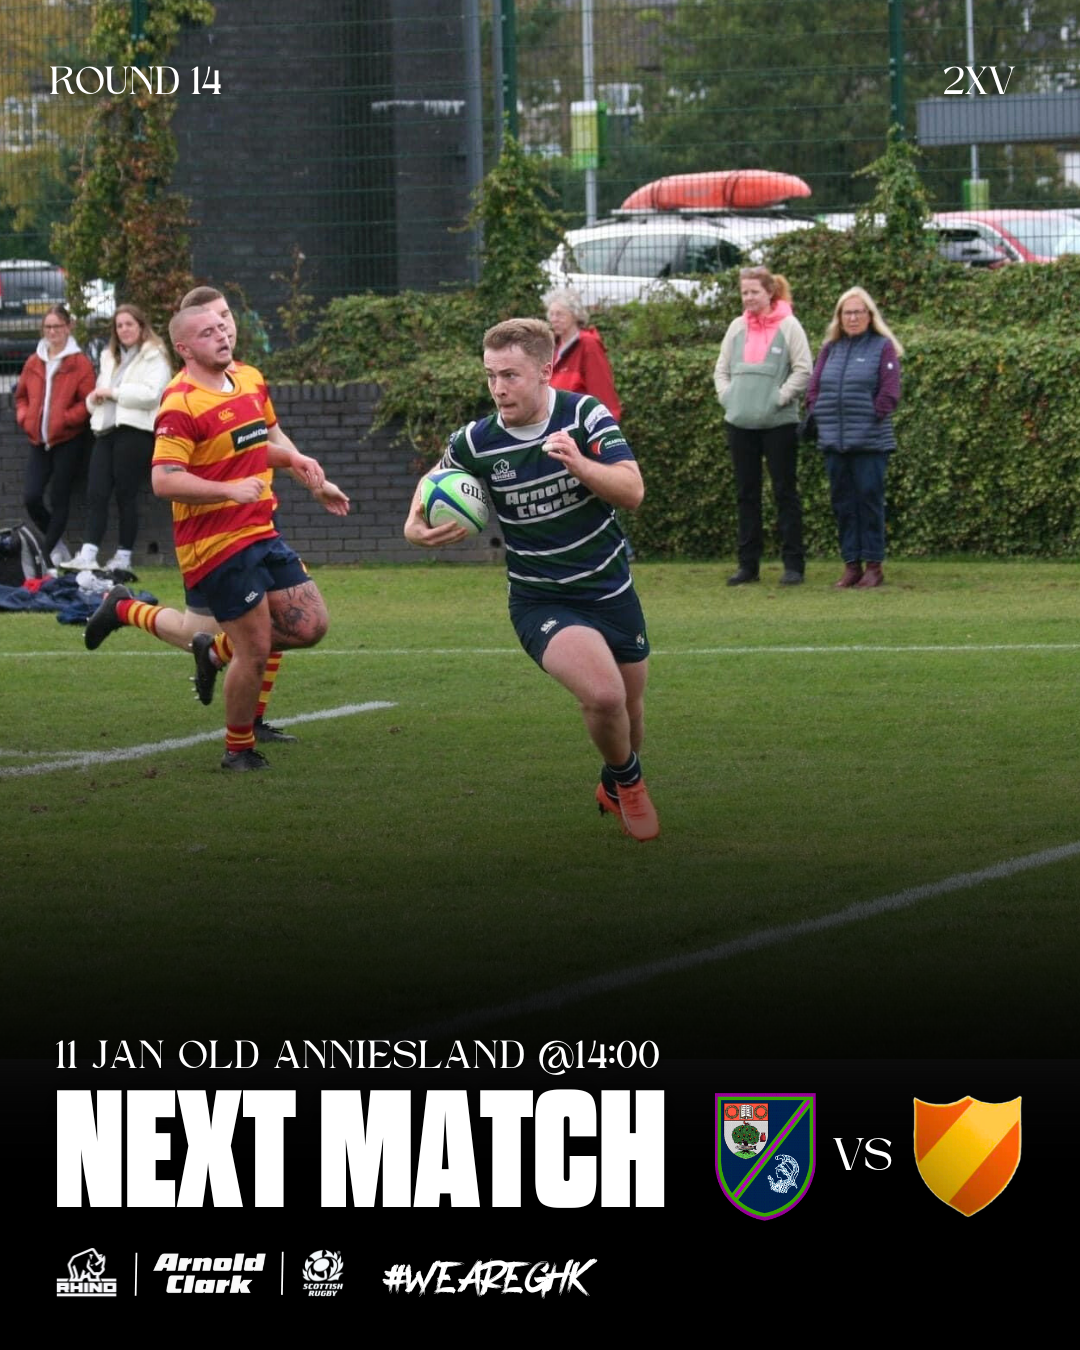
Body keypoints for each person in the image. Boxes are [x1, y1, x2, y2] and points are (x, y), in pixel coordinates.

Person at [403, 317, 658, 841]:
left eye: (510, 375)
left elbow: (632, 491)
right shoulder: (478, 440)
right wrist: (413, 526)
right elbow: (435, 477)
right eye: (490, 375)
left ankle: (612, 783)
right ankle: (632, 786)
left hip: (610, 589)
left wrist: (580, 465)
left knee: (629, 713)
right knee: (604, 696)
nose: (498, 388)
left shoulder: (584, 416)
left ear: (545, 371)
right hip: (541, 599)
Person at [84, 286, 349, 744]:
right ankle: (126, 609)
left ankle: (245, 708)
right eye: (211, 325)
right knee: (206, 633)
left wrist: (312, 479)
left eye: (226, 318)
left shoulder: (249, 378)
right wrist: (229, 490)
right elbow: (165, 478)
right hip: (212, 539)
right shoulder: (181, 400)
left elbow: (271, 440)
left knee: (282, 625)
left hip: (260, 522)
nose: (225, 329)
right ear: (186, 342)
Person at [713, 267, 812, 586]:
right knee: (747, 494)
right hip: (740, 423)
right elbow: (721, 370)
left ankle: (793, 565)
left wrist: (778, 398)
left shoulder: (789, 326)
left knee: (785, 492)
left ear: (770, 292)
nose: (748, 297)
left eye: (754, 291)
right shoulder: (736, 327)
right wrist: (729, 398)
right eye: (744, 292)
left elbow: (804, 369)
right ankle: (748, 566)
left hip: (779, 424)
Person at [804, 288, 903, 589]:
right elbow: (813, 389)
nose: (853, 317)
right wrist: (818, 412)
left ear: (869, 315)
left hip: (871, 443)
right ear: (839, 317)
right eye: (847, 312)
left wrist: (872, 416)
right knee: (843, 505)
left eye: (858, 312)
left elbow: (890, 392)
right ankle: (851, 565)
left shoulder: (882, 347)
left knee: (870, 503)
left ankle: (873, 565)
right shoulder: (830, 349)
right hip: (834, 443)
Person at [66, 303, 172, 573]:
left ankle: (123, 557)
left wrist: (114, 393)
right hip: (105, 430)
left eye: (129, 324)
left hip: (135, 431)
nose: (124, 329)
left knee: (126, 494)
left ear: (141, 326)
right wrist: (93, 399)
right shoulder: (109, 357)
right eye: (119, 325)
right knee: (96, 492)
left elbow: (153, 395)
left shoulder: (155, 356)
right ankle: (88, 555)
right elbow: (97, 395)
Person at [14, 304, 95, 569]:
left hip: (68, 440)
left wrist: (66, 419)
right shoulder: (34, 361)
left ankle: (46, 557)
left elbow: (88, 401)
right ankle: (57, 546)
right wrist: (25, 417)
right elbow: (21, 396)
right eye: (48, 327)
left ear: (68, 327)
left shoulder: (79, 363)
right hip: (38, 440)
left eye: (57, 326)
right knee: (31, 497)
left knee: (59, 498)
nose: (52, 332)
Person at [545, 288, 622, 419]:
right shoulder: (552, 347)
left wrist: (606, 426)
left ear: (575, 315)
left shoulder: (588, 345)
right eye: (551, 314)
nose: (554, 319)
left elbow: (602, 391)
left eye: (560, 314)